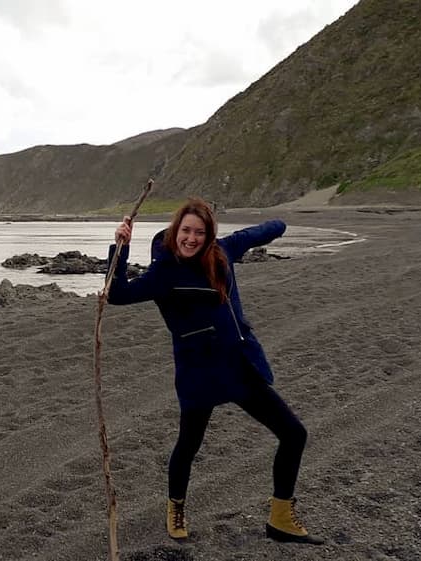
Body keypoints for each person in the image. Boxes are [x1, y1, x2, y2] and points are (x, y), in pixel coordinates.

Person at [107, 197, 322, 544]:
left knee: (294, 433)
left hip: (238, 365)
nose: (191, 239)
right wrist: (119, 249)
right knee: (189, 444)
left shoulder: (221, 252)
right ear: (176, 230)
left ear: (209, 236)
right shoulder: (164, 272)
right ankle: (176, 506)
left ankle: (281, 518)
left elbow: (256, 234)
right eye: (186, 231)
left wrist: (279, 225)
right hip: (199, 372)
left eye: (199, 233)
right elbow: (116, 294)